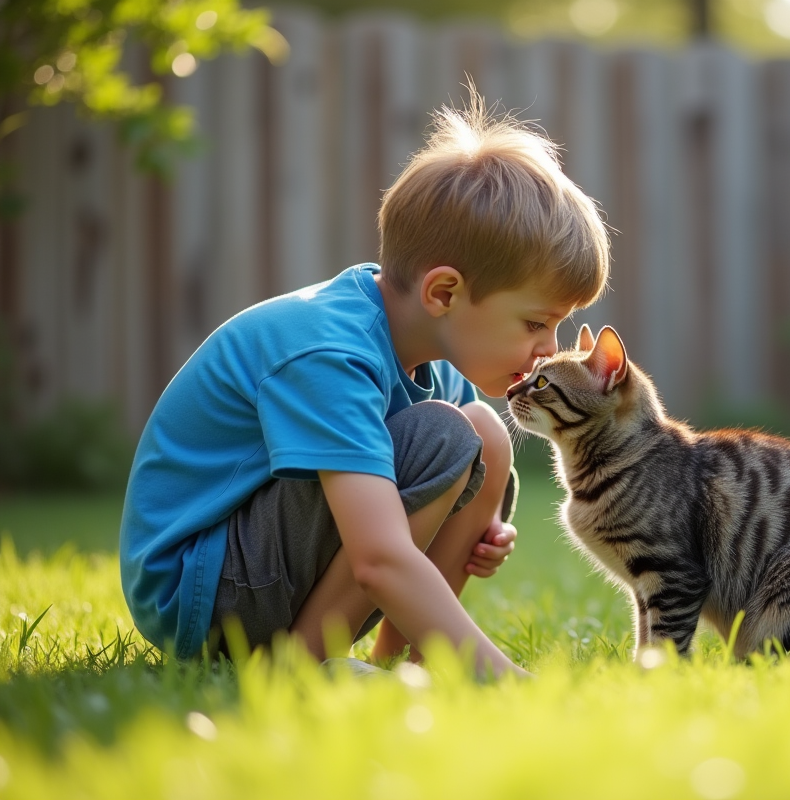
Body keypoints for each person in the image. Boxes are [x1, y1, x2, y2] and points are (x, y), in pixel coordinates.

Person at [118, 91, 610, 678]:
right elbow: (378, 557)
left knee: (484, 436)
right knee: (452, 435)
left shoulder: (430, 354)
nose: (547, 350)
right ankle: (300, 668)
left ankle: (406, 666)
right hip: (199, 591)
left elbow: (458, 473)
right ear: (444, 294)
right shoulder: (328, 352)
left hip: (255, 569)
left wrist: (478, 526)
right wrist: (504, 679)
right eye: (536, 322)